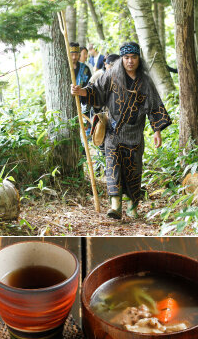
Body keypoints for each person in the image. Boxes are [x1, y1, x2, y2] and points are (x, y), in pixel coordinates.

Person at [70, 42, 171, 220]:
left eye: (133, 57)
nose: (130, 61)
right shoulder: (111, 75)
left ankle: (133, 206)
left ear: (139, 59)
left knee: (133, 170)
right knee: (113, 166)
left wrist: (157, 130)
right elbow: (95, 91)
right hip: (113, 132)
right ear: (122, 59)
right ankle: (115, 205)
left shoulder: (145, 81)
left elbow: (154, 105)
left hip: (134, 134)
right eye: (126, 58)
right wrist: (81, 91)